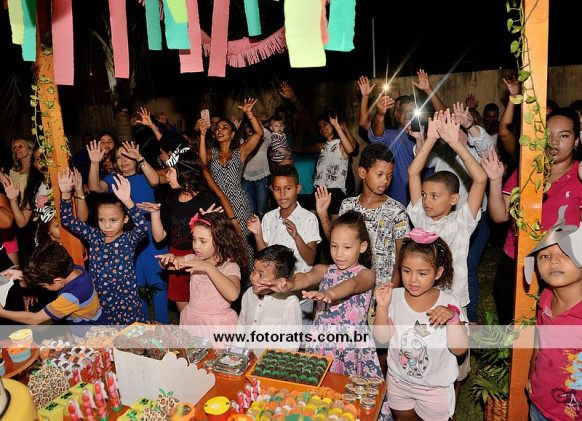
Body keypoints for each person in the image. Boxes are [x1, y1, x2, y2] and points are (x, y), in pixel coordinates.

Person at [484, 108, 582, 325]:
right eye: (548, 135)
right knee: (512, 323)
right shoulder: (527, 171)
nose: (554, 142)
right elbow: (500, 216)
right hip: (517, 259)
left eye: (564, 136)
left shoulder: (579, 176)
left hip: (560, 264)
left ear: (576, 141)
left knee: (551, 327)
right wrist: (495, 180)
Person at [266, 210, 382, 378]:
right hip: (321, 344)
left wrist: (330, 293)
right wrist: (286, 284)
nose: (339, 253)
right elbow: (306, 277)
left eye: (347, 247)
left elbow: (353, 284)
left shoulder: (366, 275)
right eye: (334, 246)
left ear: (362, 246)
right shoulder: (324, 270)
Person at [373, 229, 469, 421]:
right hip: (398, 382)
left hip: (435, 389)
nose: (413, 279)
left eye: (422, 273)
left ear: (438, 273)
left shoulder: (449, 304)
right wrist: (382, 307)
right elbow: (381, 339)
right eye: (406, 271)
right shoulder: (394, 298)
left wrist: (453, 320)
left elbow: (460, 350)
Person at [407, 110, 487, 310]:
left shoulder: (462, 222)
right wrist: (431, 139)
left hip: (453, 302)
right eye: (424, 195)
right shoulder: (420, 218)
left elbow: (480, 179)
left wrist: (455, 143)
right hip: (422, 298)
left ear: (454, 199)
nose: (426, 201)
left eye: (434, 196)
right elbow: (413, 172)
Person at [87, 139, 168, 323]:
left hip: (151, 235)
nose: (123, 161)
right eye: (118, 157)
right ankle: (140, 327)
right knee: (135, 286)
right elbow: (94, 187)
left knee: (158, 286)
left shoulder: (145, 174)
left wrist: (140, 159)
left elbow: (155, 181)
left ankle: (163, 328)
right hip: (126, 240)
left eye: (127, 156)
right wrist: (94, 163)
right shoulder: (114, 180)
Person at [316, 143, 409, 290]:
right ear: (362, 172)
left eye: (389, 175)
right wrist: (323, 215)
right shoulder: (348, 205)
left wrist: (392, 289)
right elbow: (336, 243)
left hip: (382, 289)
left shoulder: (397, 210)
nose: (385, 180)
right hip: (349, 286)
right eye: (380, 174)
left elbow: (401, 256)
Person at [138, 150, 221, 313]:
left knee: (204, 307)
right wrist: (155, 214)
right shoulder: (171, 199)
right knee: (184, 312)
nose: (166, 176)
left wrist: (207, 223)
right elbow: (159, 237)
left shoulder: (207, 200)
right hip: (176, 260)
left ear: (184, 173)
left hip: (201, 259)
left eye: (170, 171)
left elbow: (220, 239)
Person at [59, 170, 146, 325]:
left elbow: (142, 227)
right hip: (102, 301)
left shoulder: (128, 239)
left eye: (113, 220)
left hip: (126, 302)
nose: (107, 226)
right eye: (101, 220)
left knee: (132, 336)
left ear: (125, 219)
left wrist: (128, 202)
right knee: (106, 335)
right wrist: (66, 194)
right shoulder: (95, 236)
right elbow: (67, 220)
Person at [524, 212, 582, 421]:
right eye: (545, 256)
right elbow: (540, 341)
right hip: (540, 404)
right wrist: (532, 373)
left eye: (565, 253)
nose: (554, 261)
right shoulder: (546, 298)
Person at [246, 165, 321, 324]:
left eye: (288, 188)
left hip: (300, 295)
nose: (282, 194)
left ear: (298, 188)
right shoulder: (268, 218)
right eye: (277, 189)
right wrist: (258, 234)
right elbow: (265, 260)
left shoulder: (308, 218)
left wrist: (296, 236)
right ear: (271, 190)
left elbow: (310, 259)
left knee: (299, 336)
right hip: (274, 295)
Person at [199, 98, 265, 275]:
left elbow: (259, 133)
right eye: (217, 128)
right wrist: (202, 135)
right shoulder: (211, 152)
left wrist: (249, 114)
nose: (219, 130)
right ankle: (227, 279)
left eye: (224, 128)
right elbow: (202, 161)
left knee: (243, 242)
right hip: (219, 204)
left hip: (239, 203)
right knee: (222, 243)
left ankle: (249, 279)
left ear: (233, 134)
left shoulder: (240, 152)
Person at [156, 211, 247, 337]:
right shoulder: (194, 259)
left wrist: (208, 268)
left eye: (203, 241)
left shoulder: (228, 266)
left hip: (216, 325)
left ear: (220, 241)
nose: (196, 246)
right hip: (192, 320)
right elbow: (169, 265)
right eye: (194, 239)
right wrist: (167, 259)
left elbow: (232, 294)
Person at [366, 70, 446, 206]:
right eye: (404, 111)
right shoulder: (393, 136)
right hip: (398, 204)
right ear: (397, 115)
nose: (408, 114)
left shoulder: (429, 134)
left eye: (412, 111)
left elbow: (446, 119)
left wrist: (429, 90)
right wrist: (380, 113)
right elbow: (377, 134)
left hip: (428, 203)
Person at [0, 243, 106, 325]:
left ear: (58, 280)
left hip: (91, 335)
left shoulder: (72, 296)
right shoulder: (75, 270)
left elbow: (35, 319)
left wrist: (2, 313)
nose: (43, 287)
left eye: (43, 285)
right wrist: (22, 274)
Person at [237, 245, 302, 355]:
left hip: (271, 362)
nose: (253, 278)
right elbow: (241, 326)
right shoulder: (249, 294)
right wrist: (237, 353)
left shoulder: (290, 302)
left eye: (261, 275)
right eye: (253, 271)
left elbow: (291, 346)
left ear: (280, 280)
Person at [241, 119, 271, 219]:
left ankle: (264, 229)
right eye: (247, 127)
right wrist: (236, 128)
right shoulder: (242, 143)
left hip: (262, 178)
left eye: (252, 126)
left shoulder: (263, 142)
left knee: (262, 210)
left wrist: (260, 126)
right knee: (251, 211)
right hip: (246, 179)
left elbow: (269, 136)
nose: (250, 128)